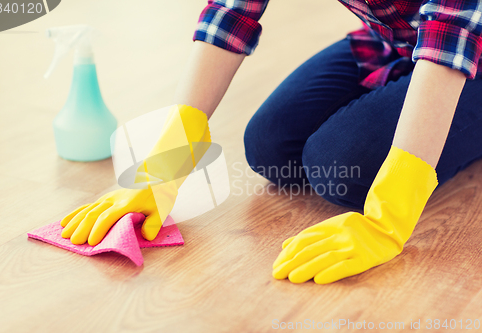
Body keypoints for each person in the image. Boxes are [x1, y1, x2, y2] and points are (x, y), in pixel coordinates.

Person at [59, 0, 482, 284]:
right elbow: (232, 12)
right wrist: (165, 162)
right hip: (392, 39)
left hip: (468, 52)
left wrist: (390, 211)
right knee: (269, 145)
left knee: (339, 169)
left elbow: (450, 33)